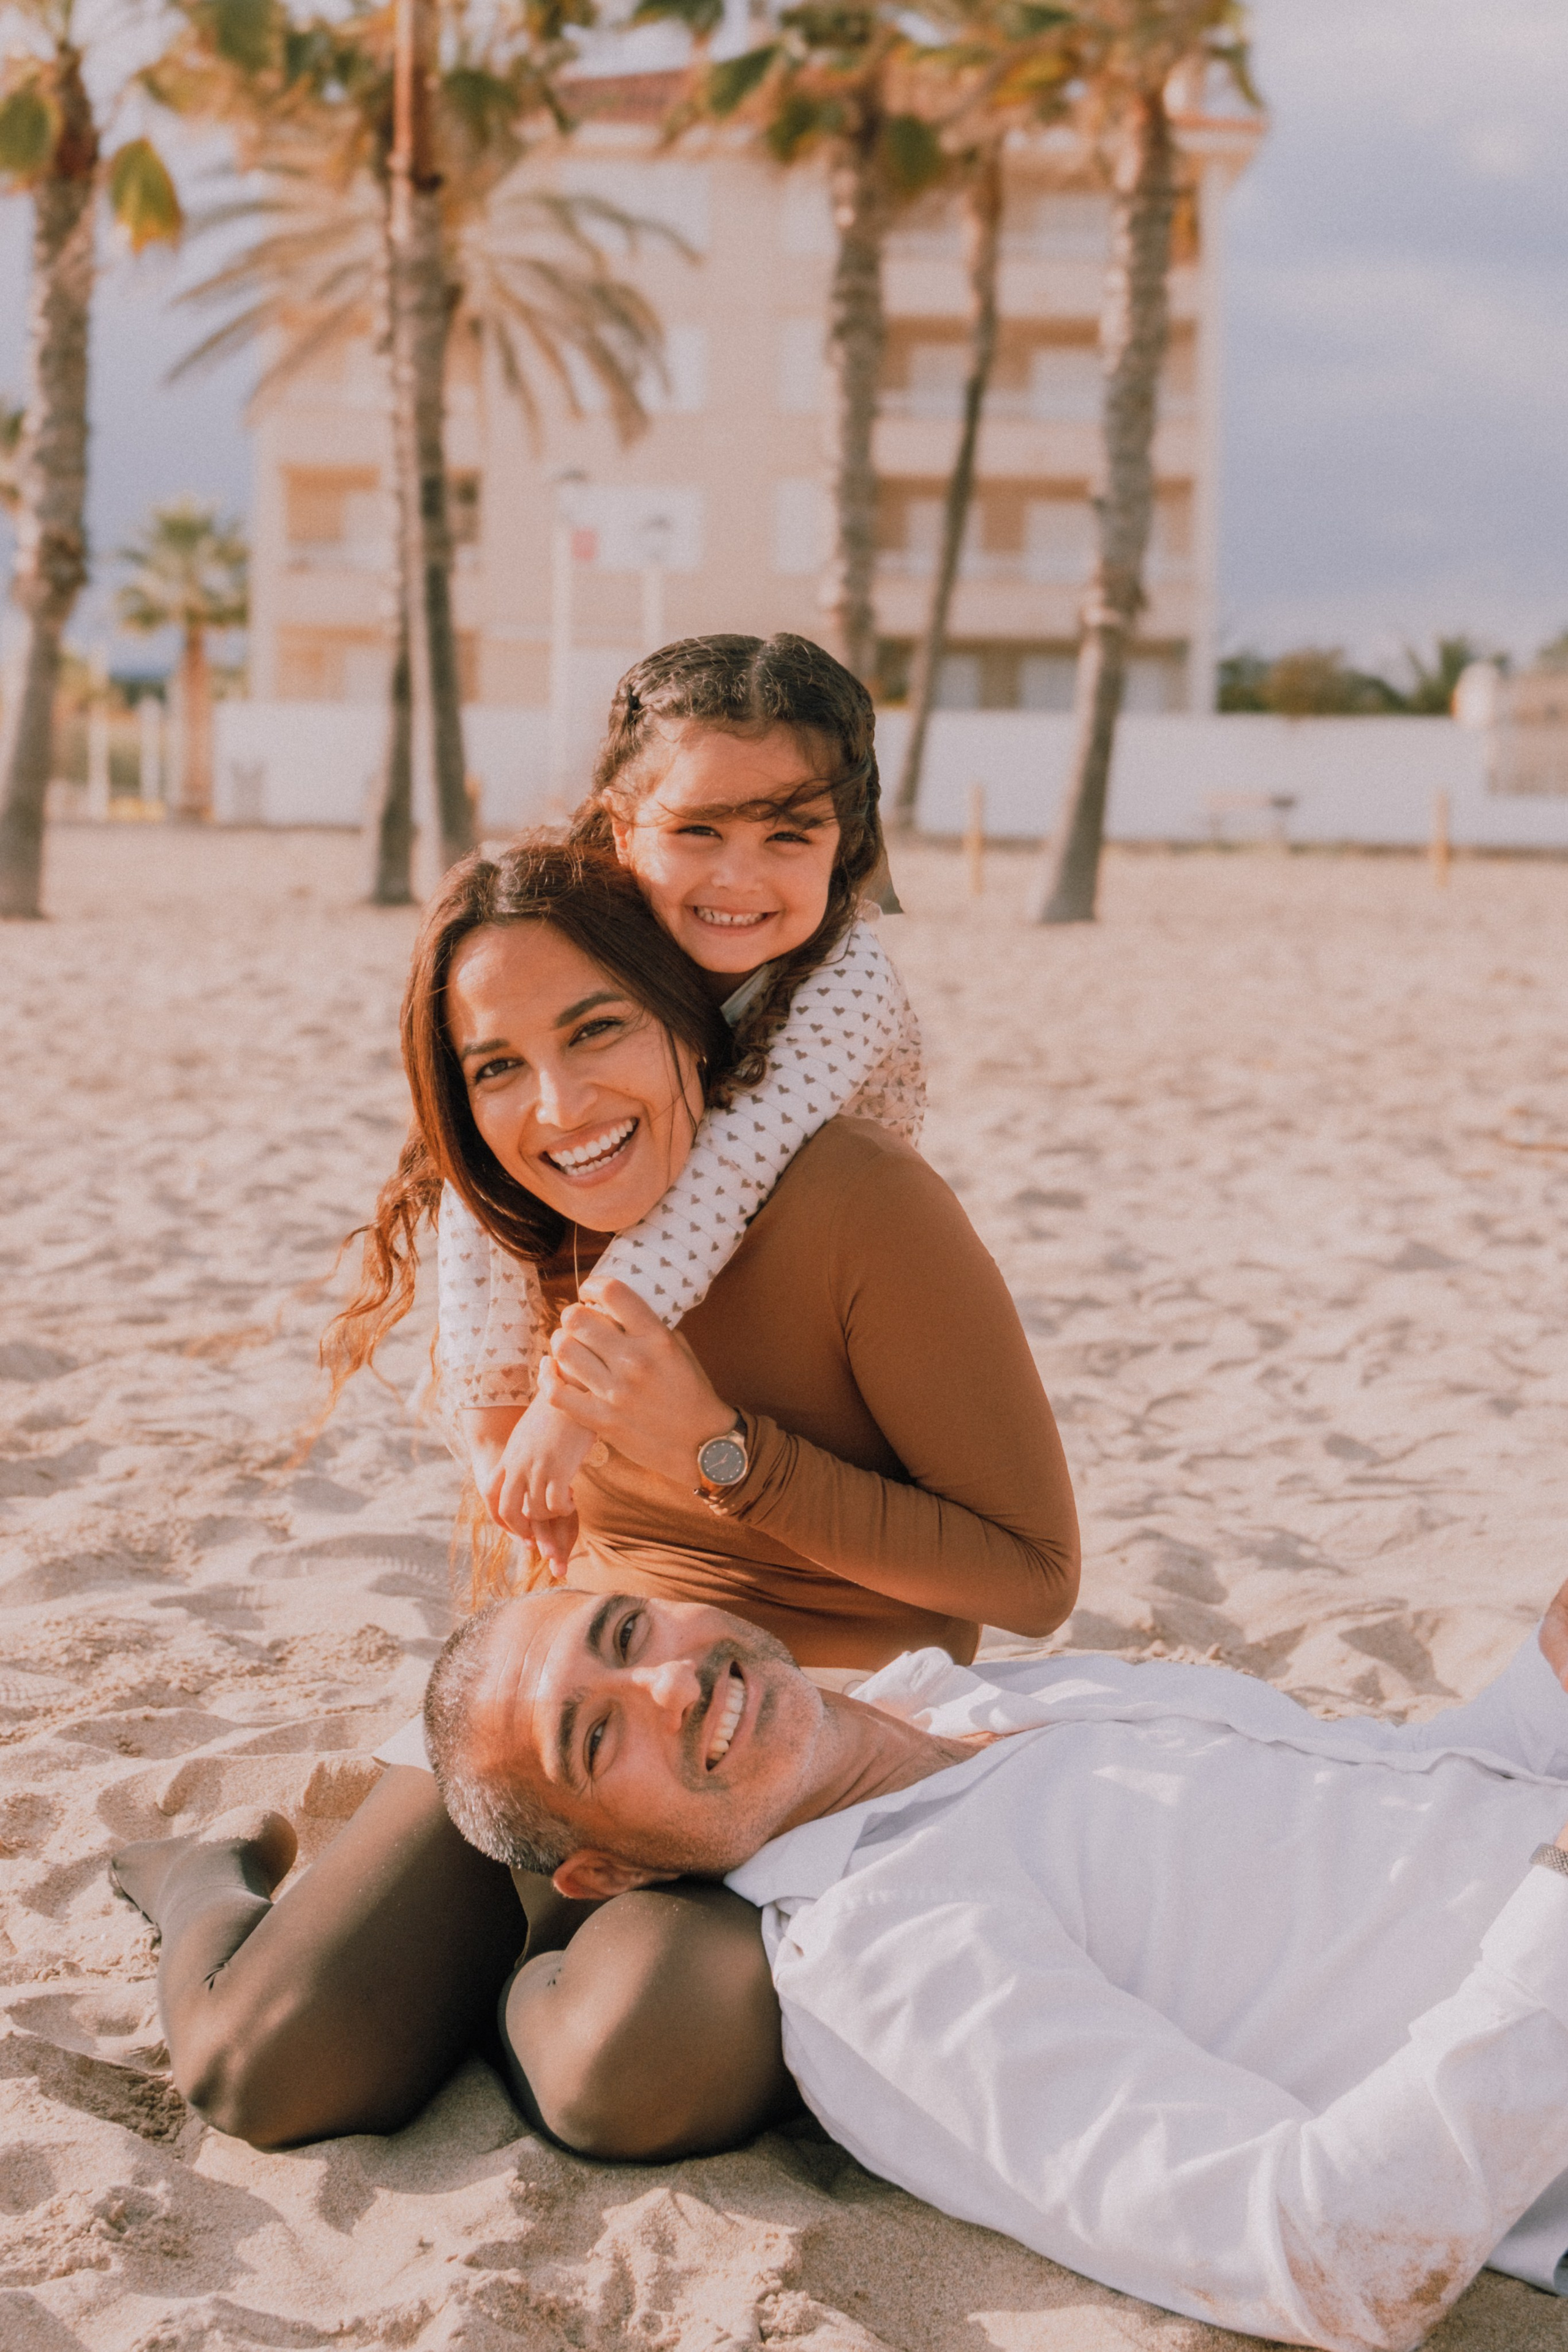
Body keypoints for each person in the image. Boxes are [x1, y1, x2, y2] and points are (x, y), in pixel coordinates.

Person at [110, 831, 1079, 2150]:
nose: (560, 1108)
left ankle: (504, 1976)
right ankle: (206, 1881)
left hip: (783, 1742)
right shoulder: (526, 1240)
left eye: (597, 1029)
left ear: (685, 1018)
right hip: (573, 1722)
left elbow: (1032, 1578)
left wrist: (723, 1453)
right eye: (497, 1067)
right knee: (262, 2071)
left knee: (636, 2060)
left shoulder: (858, 1199)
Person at [423, 1580, 1568, 2352]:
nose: (671, 1683)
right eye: (597, 1735)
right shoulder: (883, 1960)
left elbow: (1417, 1801)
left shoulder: (977, 1697)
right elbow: (1330, 2256)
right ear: (611, 1871)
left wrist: (1545, 1684)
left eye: (628, 1633)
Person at [438, 632, 925, 1572]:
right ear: (624, 830)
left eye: (789, 836)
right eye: (698, 831)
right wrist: (493, 1416)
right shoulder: (589, 927)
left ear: (844, 848)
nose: (737, 878)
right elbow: (475, 1159)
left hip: (802, 1291)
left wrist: (568, 1403)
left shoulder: (849, 978)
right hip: (638, 1265)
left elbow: (729, 1174)